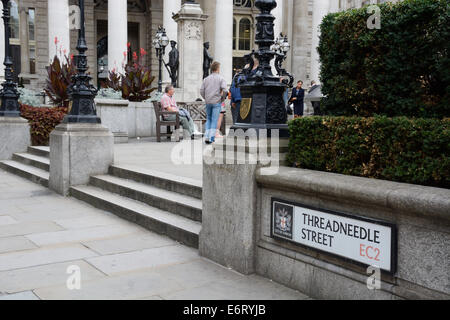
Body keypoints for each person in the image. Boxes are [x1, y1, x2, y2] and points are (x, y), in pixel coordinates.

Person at [200, 61, 228, 144]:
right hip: (216, 102)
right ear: (218, 69)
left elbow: (201, 90)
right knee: (214, 120)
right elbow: (225, 90)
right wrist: (222, 98)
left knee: (208, 119)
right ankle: (211, 138)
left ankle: (207, 136)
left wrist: (206, 97)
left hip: (208, 102)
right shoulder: (221, 78)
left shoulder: (206, 79)